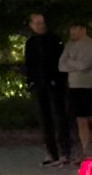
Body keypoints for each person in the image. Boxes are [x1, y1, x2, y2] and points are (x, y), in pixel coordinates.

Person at [23, 14, 73, 166]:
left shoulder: (54, 40)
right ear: (32, 25)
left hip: (54, 84)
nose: (40, 26)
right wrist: (31, 81)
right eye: (37, 23)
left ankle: (65, 152)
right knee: (45, 119)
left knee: (60, 117)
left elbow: (60, 61)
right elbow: (29, 63)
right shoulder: (31, 43)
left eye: (42, 23)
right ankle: (52, 152)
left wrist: (57, 79)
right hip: (39, 84)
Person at [59, 23, 92, 158]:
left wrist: (71, 62)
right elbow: (61, 65)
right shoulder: (69, 45)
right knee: (81, 120)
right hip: (75, 87)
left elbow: (85, 65)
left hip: (90, 87)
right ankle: (86, 150)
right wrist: (75, 63)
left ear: (83, 30)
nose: (72, 33)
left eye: (75, 30)